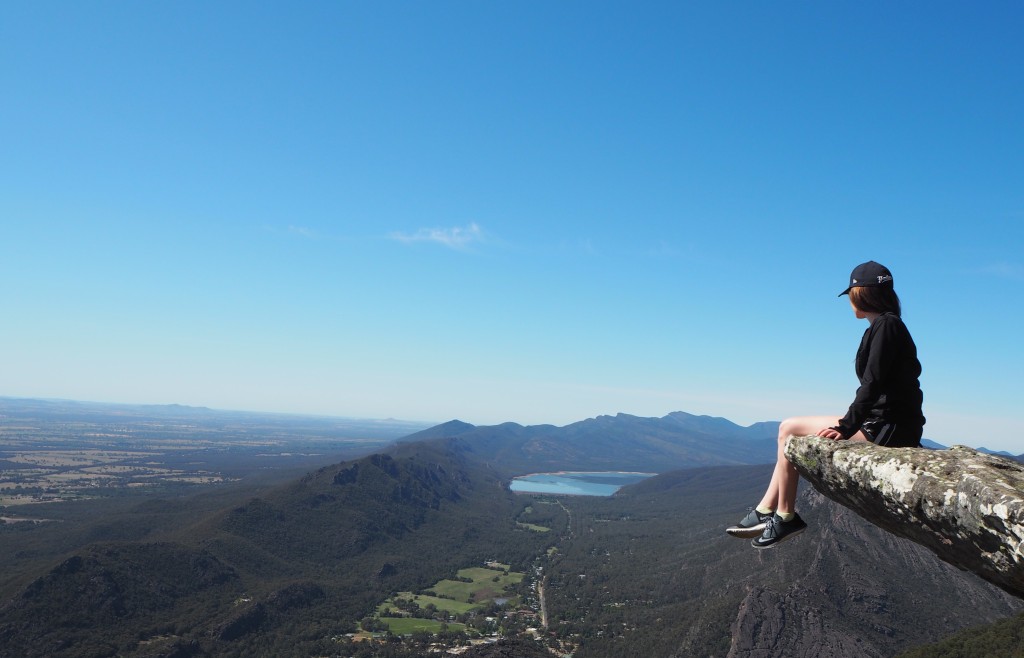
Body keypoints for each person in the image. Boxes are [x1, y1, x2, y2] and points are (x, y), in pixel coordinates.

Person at [726, 260, 925, 549]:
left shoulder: (887, 325)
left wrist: (845, 427)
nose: (850, 303)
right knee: (789, 428)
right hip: (884, 421)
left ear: (861, 294)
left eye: (851, 296)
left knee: (790, 429)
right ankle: (767, 510)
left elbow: (873, 384)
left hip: (889, 429)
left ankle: (783, 516)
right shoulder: (883, 326)